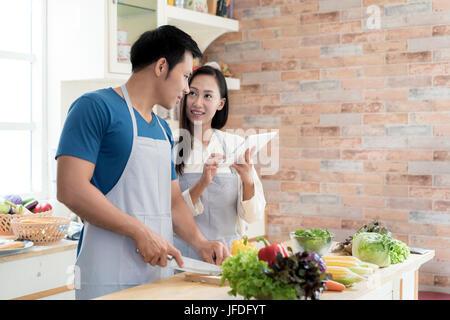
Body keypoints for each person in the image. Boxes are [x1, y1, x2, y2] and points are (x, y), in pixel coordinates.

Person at [55, 26, 229, 300]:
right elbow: (70, 189)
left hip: (155, 276)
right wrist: (139, 232)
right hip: (106, 273)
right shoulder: (94, 107)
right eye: (185, 77)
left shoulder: (162, 129)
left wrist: (200, 242)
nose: (186, 89)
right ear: (161, 66)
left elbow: (172, 203)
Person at [173, 65, 266, 260]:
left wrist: (247, 179)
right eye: (192, 93)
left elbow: (252, 215)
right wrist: (203, 182)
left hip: (229, 256)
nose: (198, 103)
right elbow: (171, 214)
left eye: (208, 96)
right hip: (184, 258)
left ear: (220, 103)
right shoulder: (171, 148)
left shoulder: (236, 145)